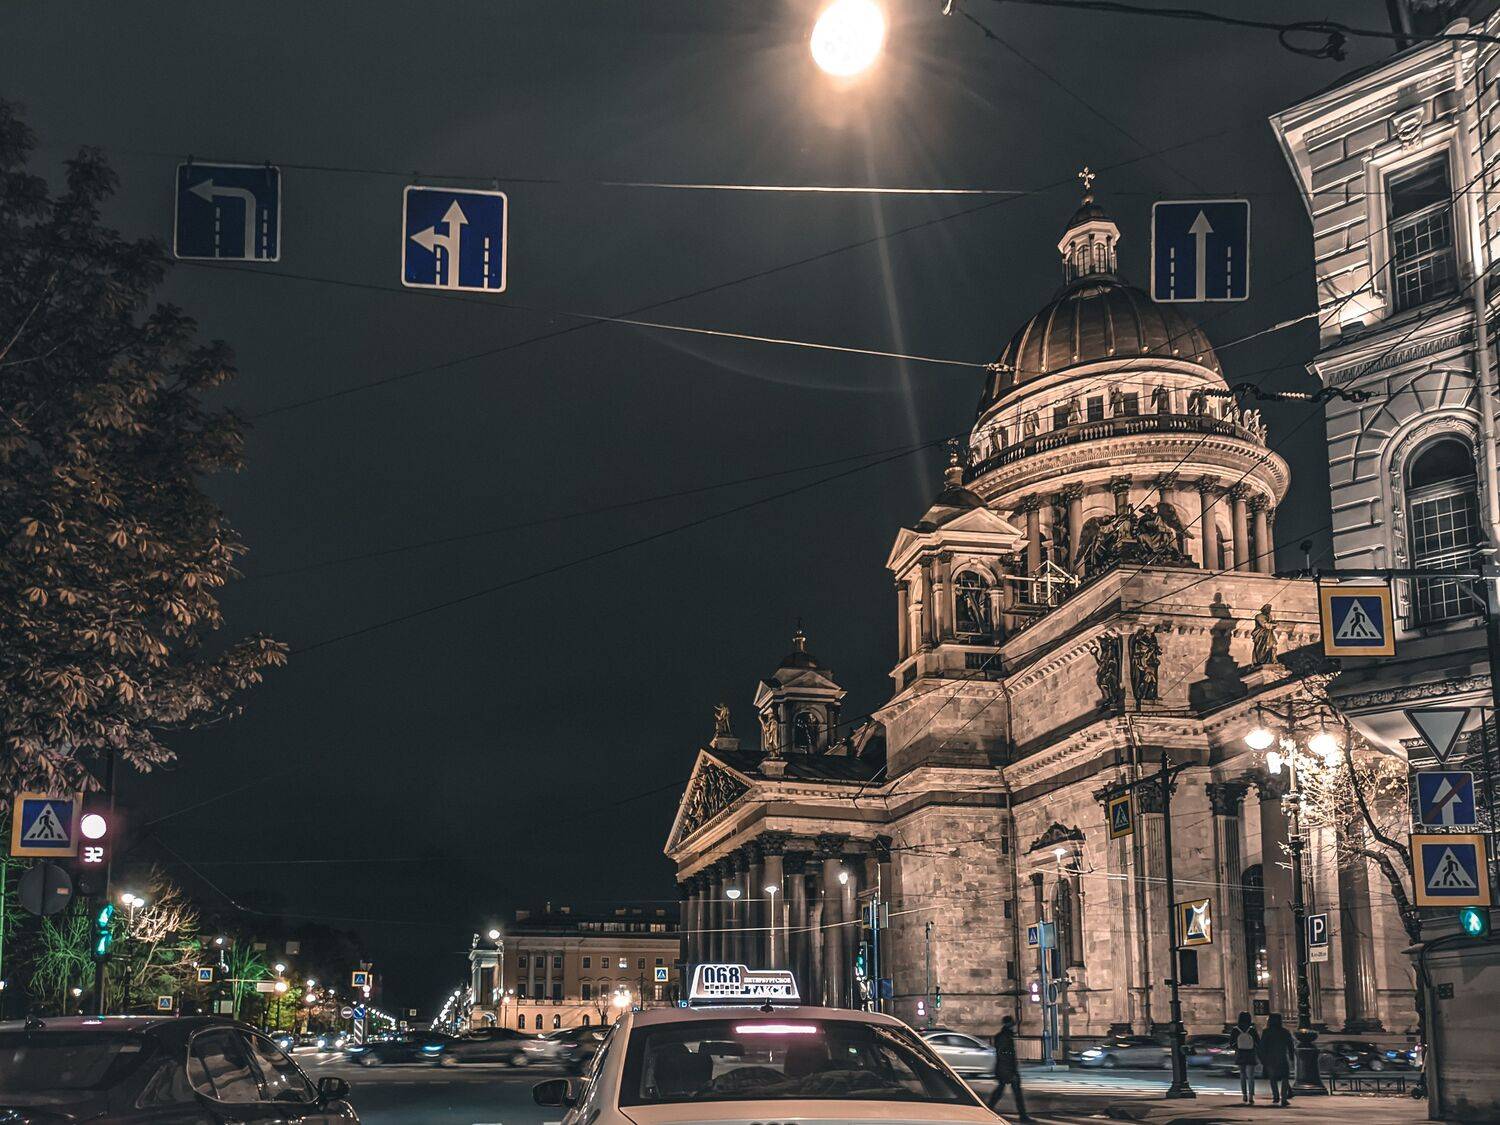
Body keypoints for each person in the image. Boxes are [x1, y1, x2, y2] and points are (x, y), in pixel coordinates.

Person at [986, 1015, 1034, 1122]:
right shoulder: (1004, 1037)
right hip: (1007, 1070)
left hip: (1005, 1069)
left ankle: (988, 1110)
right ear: (1009, 1024)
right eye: (1012, 1024)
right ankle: (1022, 1116)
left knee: (1001, 1091)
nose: (1014, 1026)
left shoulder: (1004, 1036)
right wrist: (1011, 1072)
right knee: (1015, 1093)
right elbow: (1004, 1055)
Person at [1259, 1013, 1296, 1106]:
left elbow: (1262, 1046)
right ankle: (1284, 1098)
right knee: (1285, 1077)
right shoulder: (1285, 1032)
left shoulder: (1266, 1032)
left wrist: (1263, 1059)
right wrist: (1291, 1057)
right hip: (1282, 1057)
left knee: (1273, 1078)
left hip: (1270, 1058)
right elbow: (1290, 1046)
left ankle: (1276, 1096)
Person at [1232, 1011, 1261, 1105]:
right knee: (1251, 1076)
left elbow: (1231, 1043)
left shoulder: (1235, 1029)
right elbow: (1258, 1042)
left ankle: (1244, 1094)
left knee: (1242, 1074)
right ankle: (1251, 1096)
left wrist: (1238, 1047)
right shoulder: (1252, 1029)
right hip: (1250, 1053)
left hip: (1240, 1053)